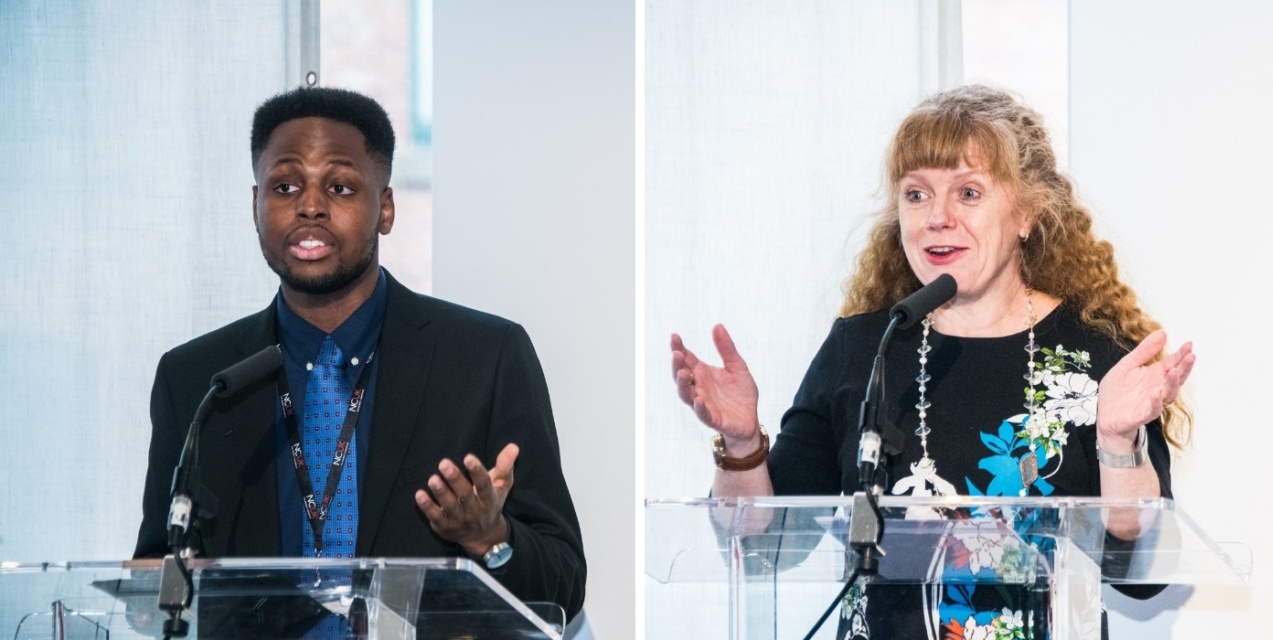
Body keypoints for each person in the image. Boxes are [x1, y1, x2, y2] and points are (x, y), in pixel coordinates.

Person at [670, 85, 1194, 638]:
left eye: (968, 193)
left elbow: (1139, 572)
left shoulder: (1093, 358)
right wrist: (742, 446)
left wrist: (1116, 443)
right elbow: (763, 545)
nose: (937, 217)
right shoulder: (864, 350)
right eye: (916, 195)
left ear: (1027, 214)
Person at [134, 87, 586, 623]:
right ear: (255, 206)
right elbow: (155, 572)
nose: (310, 205)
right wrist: (169, 586)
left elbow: (563, 583)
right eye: (285, 186)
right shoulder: (198, 382)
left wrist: (490, 538)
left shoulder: (483, 360)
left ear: (386, 208)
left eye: (341, 186)